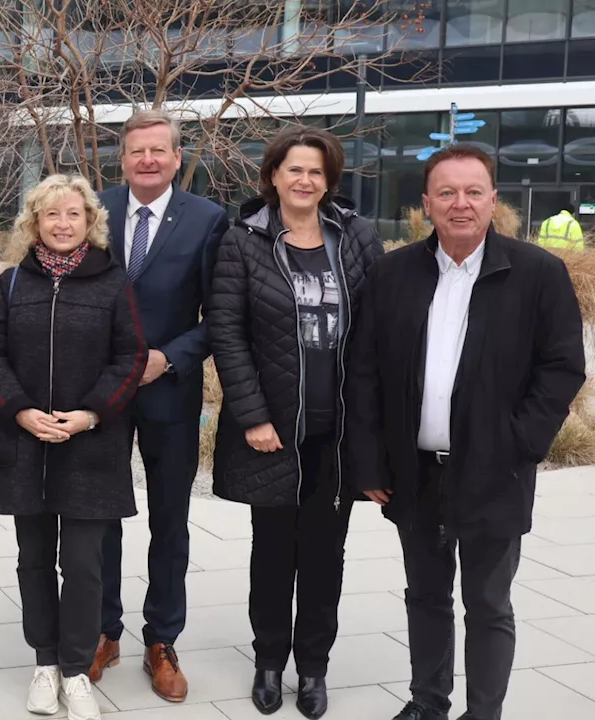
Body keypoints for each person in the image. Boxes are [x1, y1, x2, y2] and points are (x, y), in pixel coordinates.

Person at [347, 145, 585, 720]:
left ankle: (483, 713)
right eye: (447, 193)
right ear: (426, 203)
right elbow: (364, 371)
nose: (461, 203)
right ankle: (428, 703)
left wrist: (519, 444)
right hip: (417, 472)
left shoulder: (537, 274)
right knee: (425, 596)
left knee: (487, 603)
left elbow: (562, 368)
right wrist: (371, 463)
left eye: (473, 191)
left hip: (494, 472)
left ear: (493, 199)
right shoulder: (392, 274)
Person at [207, 126, 382, 719]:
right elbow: (227, 334)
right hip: (273, 430)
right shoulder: (243, 241)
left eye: (316, 171)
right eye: (293, 170)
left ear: (329, 180)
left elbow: (379, 329)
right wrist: (252, 415)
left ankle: (313, 670)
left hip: (339, 431)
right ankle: (268, 662)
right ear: (273, 176)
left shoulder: (355, 236)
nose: (304, 180)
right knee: (273, 552)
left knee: (326, 556)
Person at [0, 174, 147, 720]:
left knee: (83, 564)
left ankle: (76, 670)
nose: (62, 223)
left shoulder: (112, 282)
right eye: (51, 214)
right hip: (25, 445)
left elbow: (131, 357)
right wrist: (20, 410)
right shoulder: (11, 284)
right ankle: (45, 663)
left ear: (90, 222)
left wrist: (91, 414)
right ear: (34, 222)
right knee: (33, 560)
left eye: (73, 214)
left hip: (90, 446)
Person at [92, 109, 229, 702]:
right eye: (135, 151)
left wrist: (168, 358)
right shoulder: (95, 207)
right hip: (100, 391)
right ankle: (103, 628)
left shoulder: (207, 219)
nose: (146, 160)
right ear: (121, 160)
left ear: (177, 158)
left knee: (168, 519)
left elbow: (221, 316)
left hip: (170, 389)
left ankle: (162, 638)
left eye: (158, 151)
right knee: (99, 512)